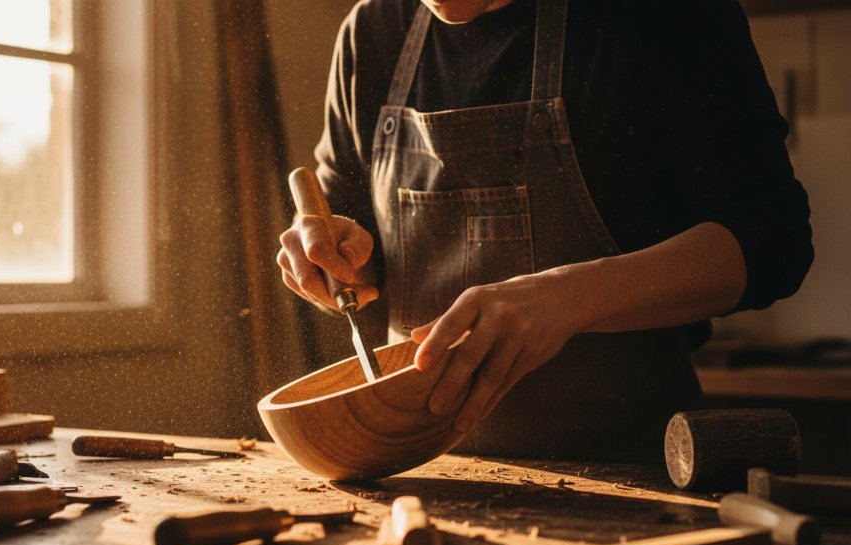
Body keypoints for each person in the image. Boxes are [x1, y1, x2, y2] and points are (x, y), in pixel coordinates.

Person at [276, 0, 813, 461]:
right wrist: (338, 262)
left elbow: (774, 240)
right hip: (428, 481)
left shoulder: (662, 16)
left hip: (635, 479)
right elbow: (352, 244)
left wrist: (568, 298)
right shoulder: (372, 30)